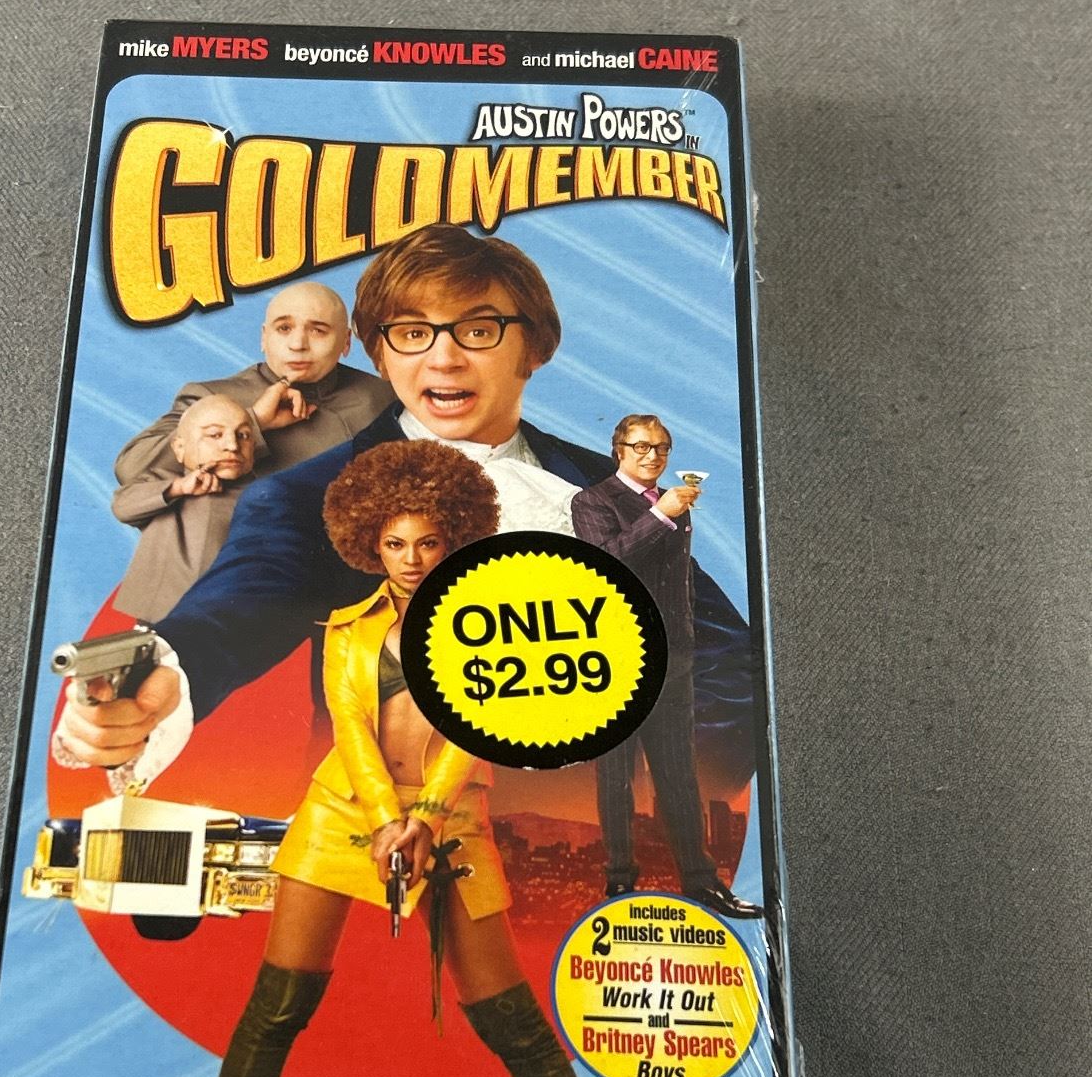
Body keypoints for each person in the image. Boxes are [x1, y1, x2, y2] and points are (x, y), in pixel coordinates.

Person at [53, 224, 752, 795]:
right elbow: (243, 604)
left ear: (535, 346)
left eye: (478, 330)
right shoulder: (304, 496)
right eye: (412, 334)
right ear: (380, 356)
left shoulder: (609, 482)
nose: (442, 360)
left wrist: (681, 779)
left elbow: (720, 649)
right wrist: (171, 676)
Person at [206, 440, 599, 1077]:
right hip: (343, 810)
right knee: (277, 1007)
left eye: (427, 542)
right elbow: (350, 729)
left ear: (455, 538)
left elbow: (475, 731)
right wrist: (389, 818)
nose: (411, 559)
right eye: (394, 544)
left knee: (511, 1021)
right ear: (370, 543)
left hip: (451, 818)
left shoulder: (492, 624)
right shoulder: (346, 629)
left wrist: (422, 818)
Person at [571, 413, 762, 921]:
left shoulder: (674, 502)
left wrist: (689, 640)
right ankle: (619, 881)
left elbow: (678, 579)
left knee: (679, 774)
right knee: (616, 775)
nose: (651, 455)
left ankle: (702, 883)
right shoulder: (593, 501)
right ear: (618, 450)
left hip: (675, 658)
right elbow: (605, 563)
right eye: (640, 446)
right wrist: (660, 516)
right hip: (616, 662)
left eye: (660, 447)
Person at [113, 280, 392, 489]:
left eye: (318, 330)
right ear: (264, 338)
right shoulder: (211, 396)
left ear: (345, 342)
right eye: (284, 328)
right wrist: (253, 421)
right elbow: (132, 469)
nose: (297, 344)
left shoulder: (383, 394)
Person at [111, 395, 257, 622]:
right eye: (215, 435)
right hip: (162, 612)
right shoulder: (164, 483)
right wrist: (177, 489)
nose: (232, 446)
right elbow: (122, 506)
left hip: (232, 614)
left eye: (243, 435)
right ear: (179, 448)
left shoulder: (264, 492)